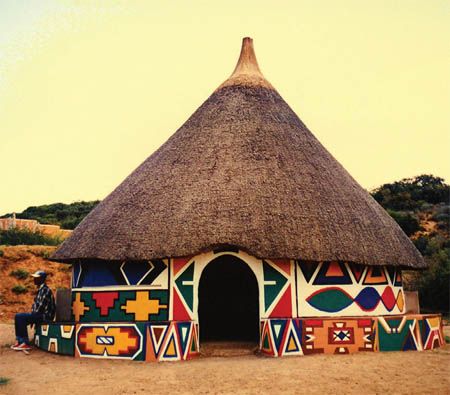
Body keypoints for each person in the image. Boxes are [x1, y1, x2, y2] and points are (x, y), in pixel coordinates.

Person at [11, 270, 56, 351]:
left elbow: (40, 308)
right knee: (18, 316)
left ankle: (25, 343)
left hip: (45, 316)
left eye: (36, 278)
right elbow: (36, 306)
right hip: (40, 314)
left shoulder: (45, 290)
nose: (34, 280)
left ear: (41, 279)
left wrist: (33, 317)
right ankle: (20, 341)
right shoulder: (41, 290)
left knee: (21, 317)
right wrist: (32, 316)